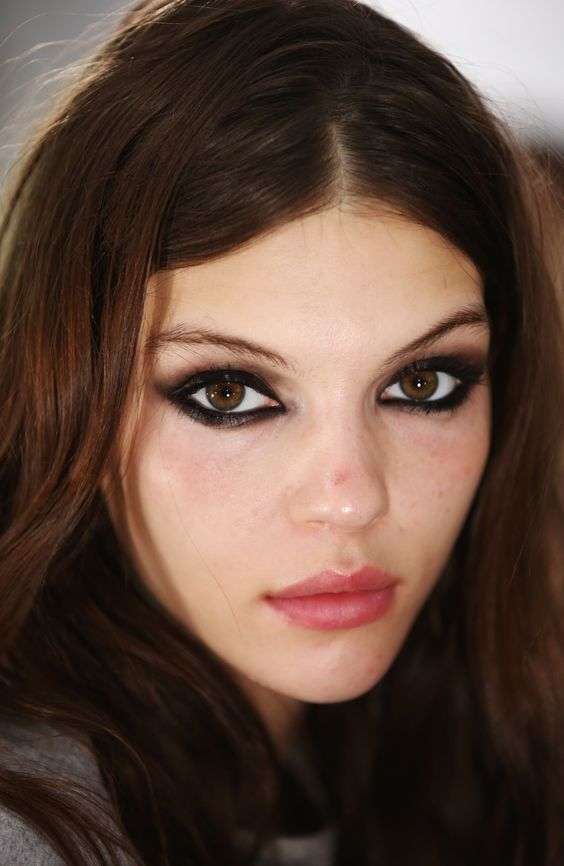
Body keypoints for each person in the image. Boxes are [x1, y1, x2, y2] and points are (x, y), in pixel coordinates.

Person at [0, 0, 563, 863]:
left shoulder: (474, 752)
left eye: (422, 384)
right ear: (67, 394)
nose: (350, 499)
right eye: (228, 394)